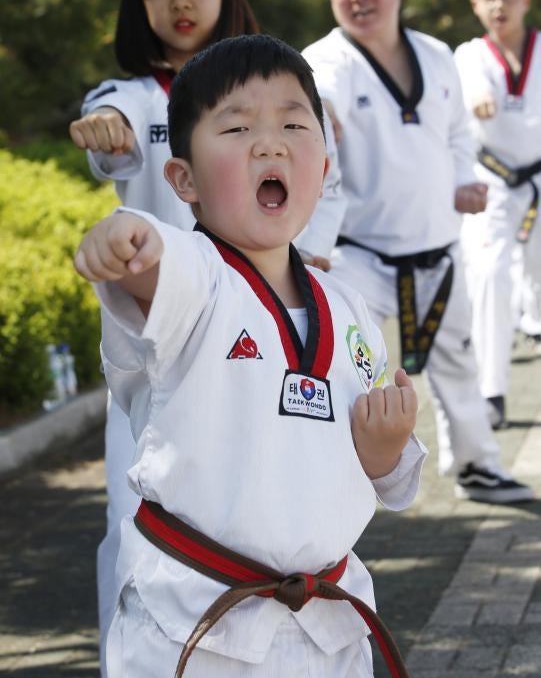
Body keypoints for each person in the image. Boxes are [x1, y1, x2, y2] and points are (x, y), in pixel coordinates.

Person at [74, 33, 426, 678]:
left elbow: (384, 474)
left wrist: (383, 446)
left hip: (328, 629)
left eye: (295, 123)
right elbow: (157, 262)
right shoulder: (198, 279)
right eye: (236, 127)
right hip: (196, 626)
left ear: (322, 168)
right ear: (183, 179)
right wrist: (126, 238)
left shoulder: (347, 310)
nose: (270, 142)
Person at [68, 0, 345, 672]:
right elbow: (116, 128)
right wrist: (107, 132)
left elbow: (326, 178)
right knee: (140, 509)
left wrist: (309, 257)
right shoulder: (128, 96)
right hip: (163, 341)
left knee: (264, 501)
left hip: (259, 334)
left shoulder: (263, 82)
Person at [302, 0, 534, 504]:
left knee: (459, 361)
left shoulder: (435, 54)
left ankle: (478, 465)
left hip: (438, 248)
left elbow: (457, 134)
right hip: (359, 255)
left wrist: (462, 180)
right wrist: (316, 112)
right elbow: (318, 120)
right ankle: (331, 489)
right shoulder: (321, 63)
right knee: (343, 370)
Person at [454, 0, 541, 428]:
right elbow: (471, 89)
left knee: (534, 280)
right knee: (489, 277)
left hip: (540, 182)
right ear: (476, 5)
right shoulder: (469, 55)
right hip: (491, 184)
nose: (498, 5)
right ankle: (492, 391)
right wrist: (476, 97)